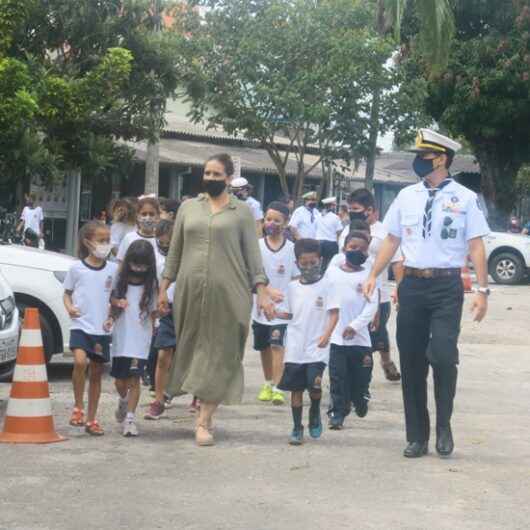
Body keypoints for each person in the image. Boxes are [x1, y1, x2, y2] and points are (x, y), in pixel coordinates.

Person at [364, 129, 490, 458]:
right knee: (412, 360)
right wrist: (374, 274)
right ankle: (417, 435)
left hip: (447, 286)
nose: (418, 162)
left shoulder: (465, 198)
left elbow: (476, 245)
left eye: (424, 157)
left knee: (445, 357)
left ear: (442, 159)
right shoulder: (406, 196)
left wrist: (482, 289)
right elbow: (391, 240)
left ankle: (444, 424)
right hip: (413, 286)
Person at [159, 153, 274, 447]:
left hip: (230, 293)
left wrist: (262, 291)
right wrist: (163, 289)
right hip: (190, 292)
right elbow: (175, 251)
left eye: (216, 174)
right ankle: (196, 408)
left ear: (228, 177)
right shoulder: (188, 208)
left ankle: (204, 421)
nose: (210, 178)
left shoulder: (242, 212)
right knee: (195, 349)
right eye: (206, 173)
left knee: (222, 354)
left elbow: (253, 255)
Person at [276, 238, 339, 445]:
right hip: (295, 347)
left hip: (317, 347)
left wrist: (326, 335)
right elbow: (289, 314)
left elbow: (334, 313)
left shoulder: (328, 284)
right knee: (296, 389)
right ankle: (296, 427)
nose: (309, 267)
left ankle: (314, 411)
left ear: (320, 260)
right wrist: (273, 312)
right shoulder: (292, 288)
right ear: (297, 263)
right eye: (304, 263)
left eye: (313, 262)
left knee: (314, 386)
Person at [63, 221, 117, 435]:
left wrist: (113, 314)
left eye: (107, 240)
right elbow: (66, 293)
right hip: (81, 325)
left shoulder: (113, 269)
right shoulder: (76, 268)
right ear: (87, 242)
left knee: (96, 373)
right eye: (101, 240)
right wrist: (69, 308)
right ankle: (78, 406)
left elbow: (114, 297)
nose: (106, 244)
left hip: (101, 329)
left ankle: (92, 419)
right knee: (79, 361)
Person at [345, 188, 404, 382]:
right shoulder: (346, 230)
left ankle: (371, 374)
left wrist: (401, 289)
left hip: (379, 296)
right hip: (350, 296)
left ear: (369, 210)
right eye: (350, 208)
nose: (352, 212)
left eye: (356, 208)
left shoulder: (385, 234)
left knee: (375, 334)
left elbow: (397, 262)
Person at [105, 239, 159, 437]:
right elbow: (110, 301)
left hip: (140, 340)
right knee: (120, 382)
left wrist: (158, 318)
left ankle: (130, 419)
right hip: (121, 339)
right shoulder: (119, 279)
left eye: (142, 264)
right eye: (134, 263)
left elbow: (154, 311)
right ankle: (124, 401)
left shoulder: (152, 284)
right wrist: (112, 314)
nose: (138, 268)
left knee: (134, 379)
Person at [326, 231, 378, 430]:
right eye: (353, 248)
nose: (357, 252)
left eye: (362, 249)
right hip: (337, 338)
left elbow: (371, 305)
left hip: (360, 339)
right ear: (344, 249)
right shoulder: (332, 272)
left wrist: (355, 326)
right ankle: (338, 413)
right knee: (338, 377)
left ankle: (360, 397)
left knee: (360, 376)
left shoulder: (368, 274)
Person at [253, 201, 299, 406]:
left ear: (286, 223)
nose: (271, 223)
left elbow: (298, 278)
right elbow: (251, 276)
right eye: (268, 219)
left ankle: (278, 386)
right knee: (264, 347)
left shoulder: (292, 249)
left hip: (283, 310)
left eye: (277, 220)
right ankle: (267, 382)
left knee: (277, 345)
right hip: (260, 308)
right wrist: (267, 290)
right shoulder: (256, 246)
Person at [145, 219, 178, 419]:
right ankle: (158, 400)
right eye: (162, 243)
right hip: (165, 310)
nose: (165, 247)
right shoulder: (154, 257)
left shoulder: (187, 255)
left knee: (190, 355)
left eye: (169, 243)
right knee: (163, 354)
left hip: (188, 308)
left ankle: (197, 397)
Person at [116, 195, 162, 264]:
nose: (147, 218)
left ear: (158, 216)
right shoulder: (129, 238)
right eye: (144, 214)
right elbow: (121, 262)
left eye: (151, 214)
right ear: (137, 216)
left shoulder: (161, 239)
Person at [316, 196, 343, 270]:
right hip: (331, 243)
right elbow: (339, 231)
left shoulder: (317, 216)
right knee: (330, 264)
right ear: (331, 206)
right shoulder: (335, 217)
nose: (335, 206)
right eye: (334, 205)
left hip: (318, 242)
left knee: (317, 263)